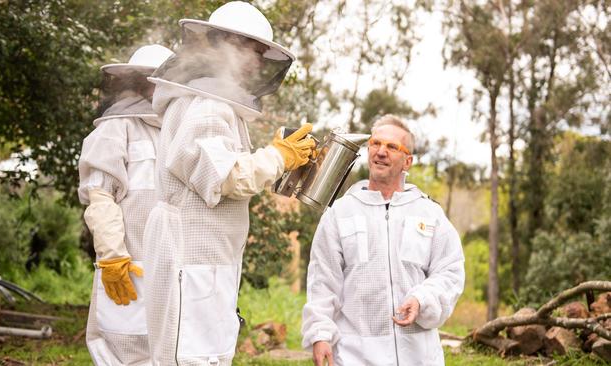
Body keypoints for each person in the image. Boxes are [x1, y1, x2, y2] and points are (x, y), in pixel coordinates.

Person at [142, 2, 316, 365]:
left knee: (209, 353)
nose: (256, 62)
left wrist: (278, 160)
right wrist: (278, 157)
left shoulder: (212, 104)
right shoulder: (206, 106)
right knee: (190, 357)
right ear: (225, 46)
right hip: (190, 259)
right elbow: (225, 177)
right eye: (252, 50)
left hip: (203, 258)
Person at [301, 115, 465, 366]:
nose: (380, 152)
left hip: (418, 356)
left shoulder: (429, 214)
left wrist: (423, 299)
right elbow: (323, 281)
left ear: (407, 161)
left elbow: (450, 271)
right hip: (356, 355)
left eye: (391, 147)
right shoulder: (340, 213)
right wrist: (320, 335)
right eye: (376, 144)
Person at [78, 44, 174, 366]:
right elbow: (101, 198)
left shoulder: (177, 131)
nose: (154, 86)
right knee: (122, 352)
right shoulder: (116, 128)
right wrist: (112, 256)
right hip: (128, 265)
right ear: (135, 81)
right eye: (148, 79)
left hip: (171, 269)